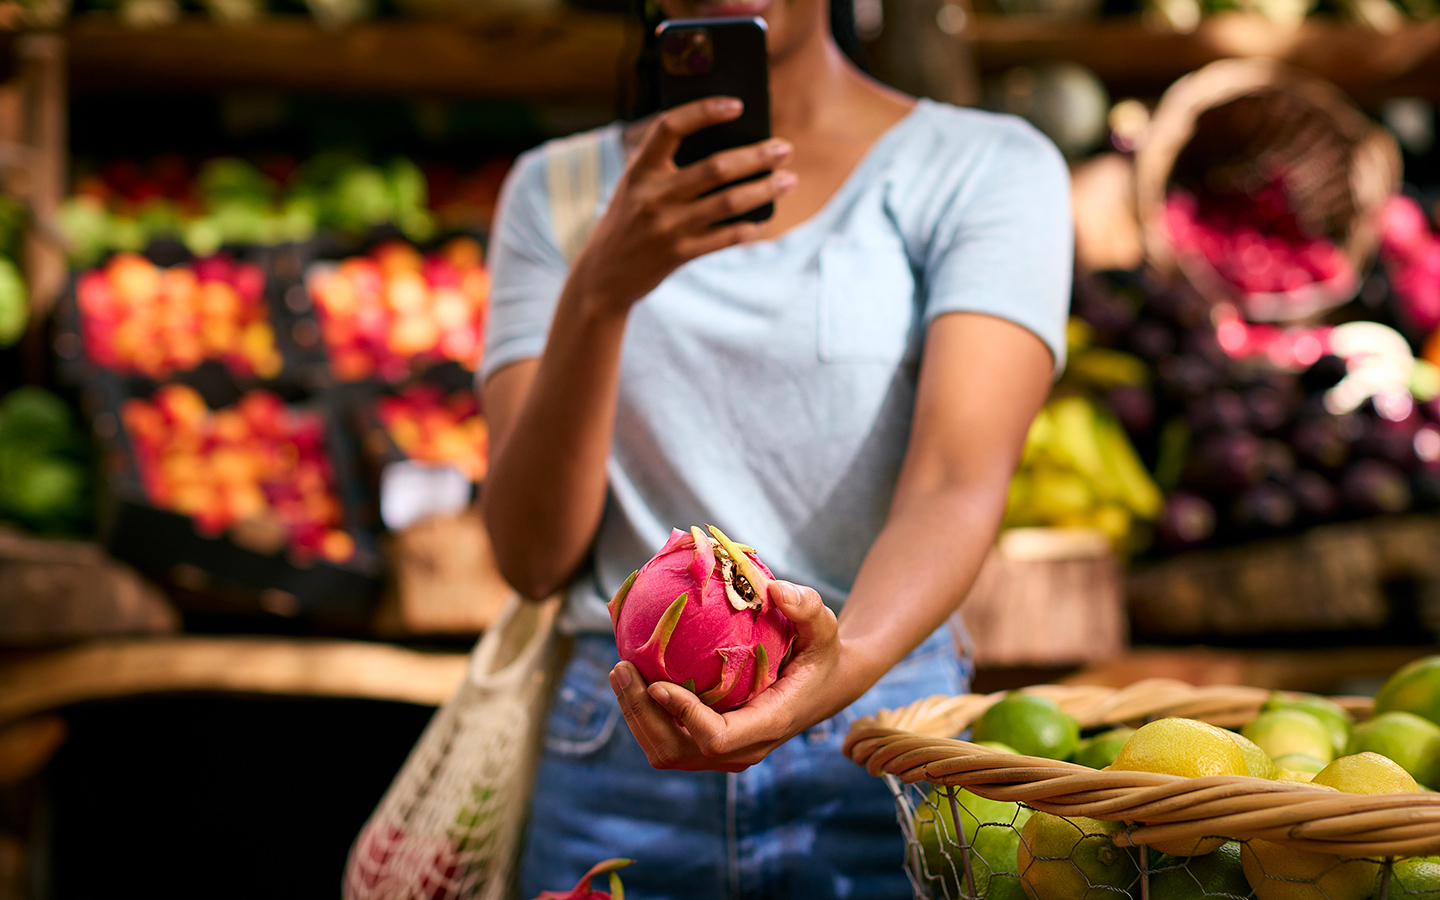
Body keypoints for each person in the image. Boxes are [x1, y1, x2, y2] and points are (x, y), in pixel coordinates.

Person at [480, 0, 1072, 894]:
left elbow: (955, 483)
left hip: (885, 743)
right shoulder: (555, 193)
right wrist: (599, 294)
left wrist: (843, 668)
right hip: (619, 752)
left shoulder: (985, 167)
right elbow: (531, 556)